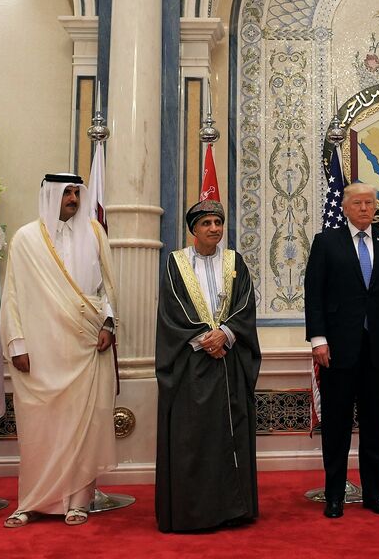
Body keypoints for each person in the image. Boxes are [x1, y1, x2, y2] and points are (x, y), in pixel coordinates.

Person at [1, 174, 118, 527]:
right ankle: (32, 500)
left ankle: (77, 501)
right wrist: (17, 344)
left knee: (82, 424)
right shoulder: (25, 239)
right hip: (39, 349)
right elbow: (13, 296)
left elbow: (108, 287)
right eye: (65, 192)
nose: (72, 198)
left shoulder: (95, 234)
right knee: (40, 427)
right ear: (49, 196)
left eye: (75, 192)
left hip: (85, 346)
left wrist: (109, 325)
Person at [304, 182, 379, 519]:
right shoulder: (327, 243)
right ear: (346, 207)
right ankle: (335, 496)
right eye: (358, 203)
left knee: (376, 426)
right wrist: (318, 339)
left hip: (378, 350)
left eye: (370, 203)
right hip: (337, 350)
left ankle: (374, 495)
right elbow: (314, 294)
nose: (365, 208)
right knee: (336, 427)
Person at [155, 201, 261, 531]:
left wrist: (226, 333)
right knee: (194, 439)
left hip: (229, 363)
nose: (214, 228)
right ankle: (194, 512)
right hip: (191, 365)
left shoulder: (235, 262)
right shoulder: (176, 263)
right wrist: (205, 339)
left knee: (229, 437)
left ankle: (233, 509)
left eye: (218, 222)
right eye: (207, 223)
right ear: (193, 229)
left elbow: (245, 303)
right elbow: (172, 309)